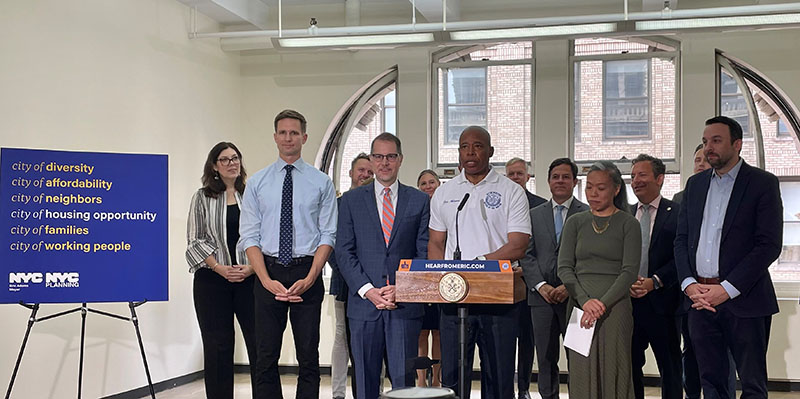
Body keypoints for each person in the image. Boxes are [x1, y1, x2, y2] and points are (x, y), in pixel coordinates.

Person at [674, 116, 783, 399]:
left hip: (745, 300)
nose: (709, 147)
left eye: (716, 140)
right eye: (706, 141)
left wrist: (726, 289)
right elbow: (682, 240)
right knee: (711, 383)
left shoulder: (762, 183)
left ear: (737, 144)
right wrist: (688, 284)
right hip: (699, 301)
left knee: (752, 384)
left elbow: (768, 245)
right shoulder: (695, 185)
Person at [239, 109, 337, 399]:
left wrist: (310, 277)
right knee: (265, 354)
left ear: (304, 137)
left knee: (308, 355)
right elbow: (250, 236)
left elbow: (328, 234)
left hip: (307, 271)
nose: (288, 138)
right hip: (267, 273)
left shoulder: (321, 183)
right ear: (275, 137)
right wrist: (265, 279)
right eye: (282, 132)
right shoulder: (257, 182)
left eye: (294, 132)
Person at [429, 126, 531, 399]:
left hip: (497, 295)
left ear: (490, 151)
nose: (470, 152)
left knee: (497, 376)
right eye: (464, 146)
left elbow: (519, 243)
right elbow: (437, 243)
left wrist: (479, 263)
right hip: (454, 295)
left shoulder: (511, 191)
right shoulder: (445, 192)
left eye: (477, 146)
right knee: (452, 375)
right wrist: (436, 282)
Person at [336, 133, 430, 399]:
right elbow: (344, 251)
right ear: (371, 159)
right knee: (365, 381)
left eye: (390, 156)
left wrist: (401, 288)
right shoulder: (351, 201)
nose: (384, 162)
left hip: (404, 305)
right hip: (364, 305)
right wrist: (368, 290)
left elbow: (423, 252)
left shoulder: (419, 200)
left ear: (400, 160)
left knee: (403, 381)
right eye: (378, 156)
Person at [557, 160, 640, 399]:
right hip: (579, 307)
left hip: (615, 308)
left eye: (600, 188)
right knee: (581, 371)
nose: (593, 193)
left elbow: (629, 272)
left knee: (616, 368)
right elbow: (564, 268)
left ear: (616, 189)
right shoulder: (575, 222)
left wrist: (601, 304)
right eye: (589, 187)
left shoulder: (629, 224)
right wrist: (585, 302)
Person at [186, 142, 258, 399]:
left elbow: (265, 237)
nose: (232, 163)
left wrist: (251, 269)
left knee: (259, 345)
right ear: (215, 166)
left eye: (235, 158)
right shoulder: (202, 197)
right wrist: (219, 268)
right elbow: (195, 239)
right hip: (212, 281)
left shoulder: (252, 194)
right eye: (225, 159)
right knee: (218, 348)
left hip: (250, 279)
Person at [672, 143, 737, 399]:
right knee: (691, 351)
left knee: (723, 360)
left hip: (724, 291)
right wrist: (689, 285)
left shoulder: (729, 194)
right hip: (690, 293)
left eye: (704, 160)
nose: (699, 164)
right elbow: (681, 242)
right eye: (696, 159)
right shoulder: (682, 197)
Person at [521, 157, 586, 399]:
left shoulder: (587, 213)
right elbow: (526, 255)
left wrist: (570, 287)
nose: (560, 181)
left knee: (579, 357)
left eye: (566, 177)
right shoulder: (533, 214)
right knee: (546, 358)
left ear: (574, 182)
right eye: (555, 177)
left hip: (577, 299)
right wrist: (541, 285)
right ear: (548, 181)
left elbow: (588, 258)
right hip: (541, 299)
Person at [628, 154, 682, 399]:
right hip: (628, 304)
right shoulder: (624, 214)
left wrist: (655, 281)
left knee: (670, 367)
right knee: (630, 367)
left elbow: (681, 257)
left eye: (642, 174)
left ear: (659, 179)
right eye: (632, 176)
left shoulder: (677, 213)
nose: (636, 180)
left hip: (664, 304)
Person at [329, 153, 373, 399]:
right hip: (344, 282)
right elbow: (330, 246)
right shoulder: (338, 204)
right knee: (342, 337)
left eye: (369, 171)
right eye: (361, 170)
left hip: (374, 285)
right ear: (350, 173)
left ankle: (371, 389)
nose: (365, 175)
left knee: (371, 341)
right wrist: (349, 272)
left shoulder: (378, 204)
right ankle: (338, 392)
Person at [504, 156, 541, 399]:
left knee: (527, 339)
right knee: (505, 337)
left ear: (528, 177)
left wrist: (527, 270)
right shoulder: (500, 203)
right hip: (504, 281)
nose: (516, 178)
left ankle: (525, 387)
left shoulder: (540, 206)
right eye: (511, 174)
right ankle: (505, 385)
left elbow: (541, 247)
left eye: (519, 173)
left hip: (531, 283)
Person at [415, 169, 442, 387]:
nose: (427, 186)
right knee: (421, 333)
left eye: (431, 182)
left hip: (442, 278)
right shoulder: (416, 211)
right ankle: (421, 380)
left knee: (439, 332)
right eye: (423, 183)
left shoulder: (445, 210)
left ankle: (437, 380)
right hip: (421, 279)